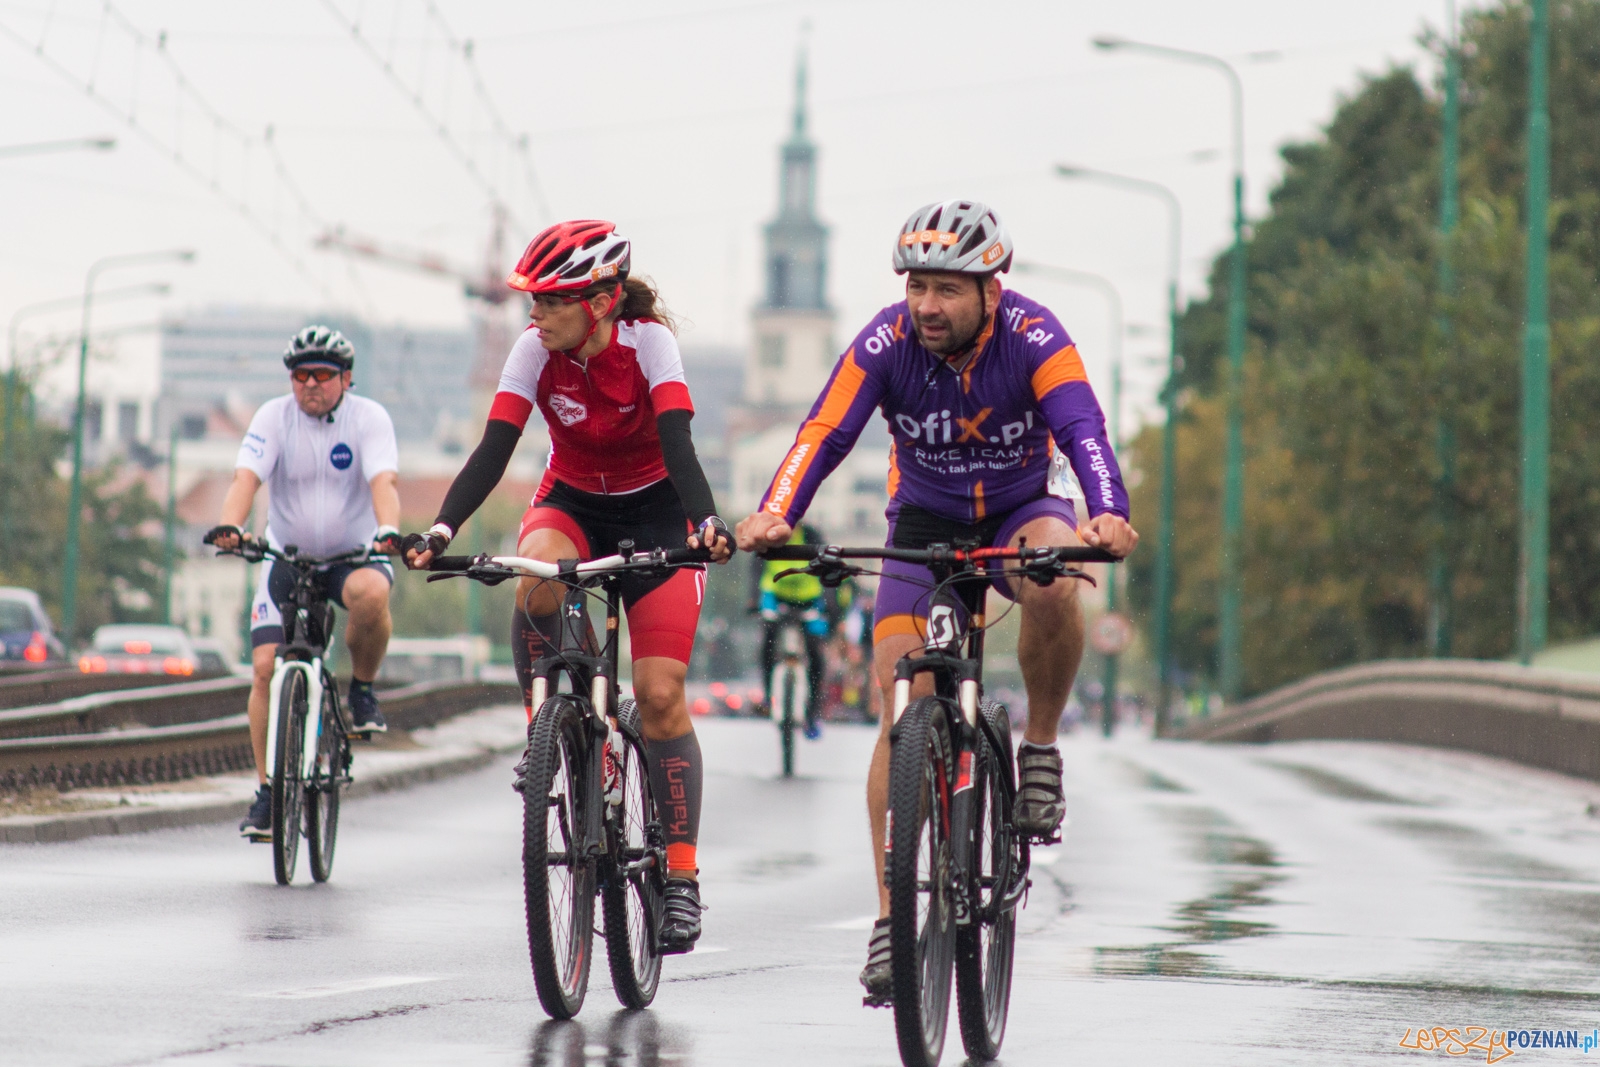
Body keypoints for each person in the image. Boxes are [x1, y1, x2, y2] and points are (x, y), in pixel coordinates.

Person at [733, 200, 1138, 1001]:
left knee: (1054, 580)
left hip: (1022, 509)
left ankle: (1040, 749)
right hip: (924, 520)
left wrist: (1108, 510)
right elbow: (823, 432)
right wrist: (778, 509)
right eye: (917, 285)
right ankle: (892, 919)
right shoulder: (885, 341)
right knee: (900, 701)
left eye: (947, 289)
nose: (926, 304)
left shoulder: (1036, 336)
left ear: (992, 291)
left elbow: (1084, 428)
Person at [402, 219, 733, 954]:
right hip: (573, 501)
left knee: (660, 694)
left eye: (552, 301)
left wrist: (708, 520)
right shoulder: (533, 349)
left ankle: (681, 875)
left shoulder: (649, 344)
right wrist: (440, 531)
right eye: (534, 300)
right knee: (536, 580)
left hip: (658, 510)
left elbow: (678, 442)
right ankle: (546, 729)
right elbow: (495, 448)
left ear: (602, 301)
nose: (536, 314)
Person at [204, 326, 402, 840]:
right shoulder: (273, 417)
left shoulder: (369, 418)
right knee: (264, 670)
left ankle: (362, 690)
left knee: (373, 594)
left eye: (322, 374)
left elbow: (384, 481)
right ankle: (268, 793)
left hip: (352, 558)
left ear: (346, 378)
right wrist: (230, 527)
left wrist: (388, 530)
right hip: (287, 559)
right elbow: (245, 479)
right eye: (300, 375)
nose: (310, 383)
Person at [748, 522, 829, 739]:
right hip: (776, 596)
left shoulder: (812, 536)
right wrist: (753, 600)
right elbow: (756, 567)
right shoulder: (770, 535)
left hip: (809, 599)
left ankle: (813, 710)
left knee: (815, 653)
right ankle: (768, 696)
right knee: (768, 642)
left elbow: (827, 568)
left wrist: (830, 605)